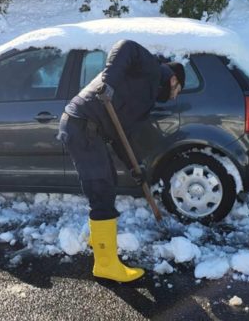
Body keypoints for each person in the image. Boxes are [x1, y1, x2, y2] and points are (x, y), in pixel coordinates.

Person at [58, 39, 185, 282]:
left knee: (108, 181)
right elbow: (126, 47)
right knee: (101, 187)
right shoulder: (151, 68)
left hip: (90, 129)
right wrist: (109, 83)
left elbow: (121, 137)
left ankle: (98, 239)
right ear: (173, 80)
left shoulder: (145, 101)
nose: (174, 97)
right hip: (81, 124)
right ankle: (105, 264)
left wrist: (135, 168)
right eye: (178, 91)